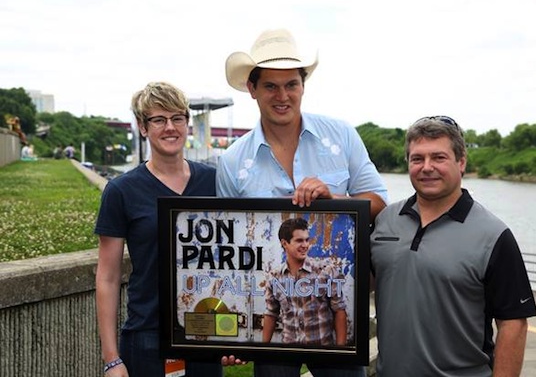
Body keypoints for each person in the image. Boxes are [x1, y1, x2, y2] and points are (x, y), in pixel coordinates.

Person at [217, 27, 387, 377]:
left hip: (333, 326)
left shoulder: (342, 135)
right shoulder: (232, 161)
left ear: (303, 85)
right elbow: (227, 254)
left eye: (291, 84)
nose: (282, 96)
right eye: (270, 86)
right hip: (276, 330)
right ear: (252, 89)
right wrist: (234, 336)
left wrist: (336, 201)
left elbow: (379, 202)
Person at [370, 115, 536, 376]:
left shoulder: (493, 235)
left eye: (438, 157)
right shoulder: (386, 221)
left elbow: (513, 324)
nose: (427, 167)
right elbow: (362, 283)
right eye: (417, 158)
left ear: (461, 162)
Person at [94, 81, 224, 377]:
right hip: (146, 335)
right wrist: (112, 359)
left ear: (187, 124)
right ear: (143, 127)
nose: (170, 127)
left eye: (178, 118)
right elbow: (108, 277)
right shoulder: (121, 191)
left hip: (206, 331)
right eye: (159, 119)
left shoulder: (214, 182)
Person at [263, 217, 348, 346]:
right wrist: (263, 349)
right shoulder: (275, 277)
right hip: (289, 348)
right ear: (285, 243)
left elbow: (339, 310)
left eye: (307, 240)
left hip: (321, 348)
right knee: (264, 366)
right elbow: (271, 313)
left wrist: (341, 350)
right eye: (299, 241)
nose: (305, 245)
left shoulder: (325, 272)